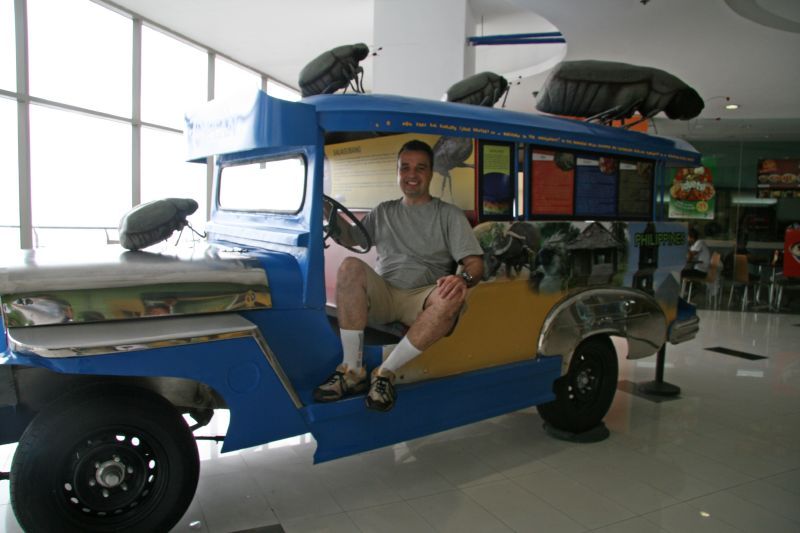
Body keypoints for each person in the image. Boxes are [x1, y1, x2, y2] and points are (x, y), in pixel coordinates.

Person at [314, 139, 484, 411]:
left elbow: (475, 264)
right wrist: (325, 209)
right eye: (405, 168)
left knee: (452, 297)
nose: (412, 175)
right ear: (398, 173)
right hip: (384, 292)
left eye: (420, 168)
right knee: (349, 266)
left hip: (420, 298)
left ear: (430, 173)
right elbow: (354, 239)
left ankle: (384, 373)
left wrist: (461, 278)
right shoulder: (383, 211)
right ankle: (352, 370)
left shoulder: (448, 215)